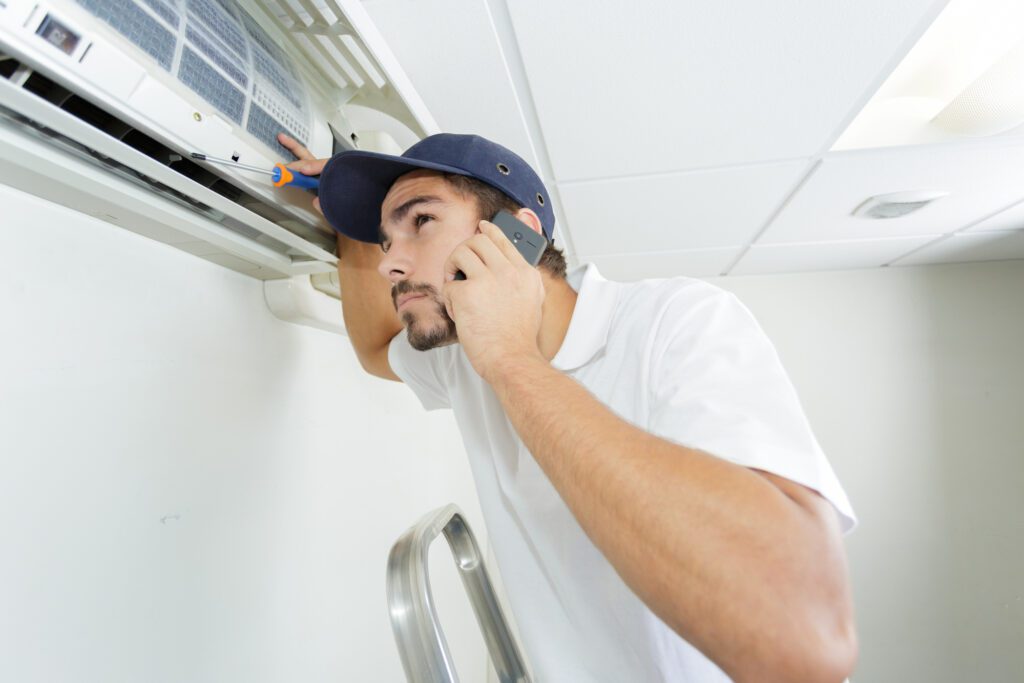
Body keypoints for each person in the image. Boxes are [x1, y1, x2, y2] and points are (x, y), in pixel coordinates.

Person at [278, 131, 859, 682]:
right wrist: (347, 223)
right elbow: (378, 349)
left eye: (421, 222)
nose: (389, 265)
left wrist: (511, 361)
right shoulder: (460, 352)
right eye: (385, 241)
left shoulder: (676, 323)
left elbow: (803, 640)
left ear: (514, 235)